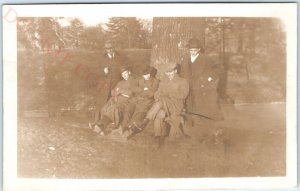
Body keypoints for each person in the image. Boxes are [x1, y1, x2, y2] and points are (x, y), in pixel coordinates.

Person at [127, 63, 189, 149]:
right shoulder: (164, 82)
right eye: (167, 72)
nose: (168, 74)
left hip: (175, 105)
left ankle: (145, 121)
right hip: (163, 104)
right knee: (159, 114)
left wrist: (168, 95)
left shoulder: (182, 81)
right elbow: (157, 93)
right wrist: (160, 96)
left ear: (176, 71)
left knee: (160, 103)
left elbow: (183, 95)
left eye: (170, 72)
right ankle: (158, 139)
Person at [180, 38, 224, 143]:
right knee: (190, 108)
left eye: (195, 50)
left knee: (201, 109)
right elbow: (182, 72)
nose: (193, 52)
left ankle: (207, 133)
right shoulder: (185, 58)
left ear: (199, 49)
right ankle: (193, 131)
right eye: (191, 50)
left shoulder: (206, 59)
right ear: (188, 50)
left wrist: (210, 77)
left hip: (200, 87)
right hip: (188, 87)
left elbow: (218, 68)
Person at [90, 67, 138, 135]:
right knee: (105, 108)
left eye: (125, 73)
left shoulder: (134, 81)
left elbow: (130, 93)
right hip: (117, 100)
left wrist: (119, 91)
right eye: (122, 74)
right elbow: (113, 92)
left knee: (114, 108)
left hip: (126, 102)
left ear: (129, 73)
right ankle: (103, 126)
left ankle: (102, 126)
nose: (124, 75)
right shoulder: (120, 82)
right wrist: (120, 93)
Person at [92, 42, 130, 126]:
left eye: (111, 48)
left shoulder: (119, 58)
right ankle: (96, 121)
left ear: (113, 48)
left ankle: (105, 123)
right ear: (106, 50)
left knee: (111, 103)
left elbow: (124, 69)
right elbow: (96, 70)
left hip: (115, 85)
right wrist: (103, 71)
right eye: (108, 49)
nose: (109, 50)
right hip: (104, 85)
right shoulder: (102, 58)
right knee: (101, 102)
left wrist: (123, 79)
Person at [122, 66, 160, 132]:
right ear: (142, 75)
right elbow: (132, 87)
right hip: (136, 99)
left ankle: (130, 129)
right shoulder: (139, 79)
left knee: (139, 114)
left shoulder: (155, 81)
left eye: (148, 74)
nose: (147, 76)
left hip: (146, 101)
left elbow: (151, 94)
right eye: (145, 75)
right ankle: (124, 128)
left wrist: (140, 92)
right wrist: (142, 89)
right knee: (128, 110)